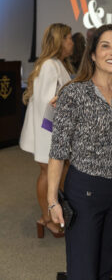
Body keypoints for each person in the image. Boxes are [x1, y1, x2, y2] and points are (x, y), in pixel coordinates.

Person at [47, 24, 112, 280]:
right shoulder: (74, 93)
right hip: (84, 191)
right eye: (105, 46)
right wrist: (52, 200)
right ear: (93, 55)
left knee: (106, 268)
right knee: (83, 270)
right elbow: (58, 151)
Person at [20, 23, 73, 238]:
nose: (72, 42)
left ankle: (51, 216)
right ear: (60, 41)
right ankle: (47, 218)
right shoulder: (50, 65)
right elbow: (47, 103)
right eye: (68, 38)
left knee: (55, 174)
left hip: (50, 131)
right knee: (48, 173)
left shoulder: (56, 64)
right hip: (48, 133)